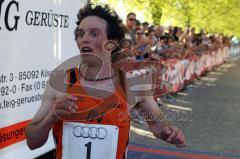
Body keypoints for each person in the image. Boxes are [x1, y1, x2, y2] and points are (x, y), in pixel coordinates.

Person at [25, 4, 185, 159]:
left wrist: (169, 132)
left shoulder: (133, 86)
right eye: (80, 34)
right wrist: (51, 116)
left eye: (94, 34)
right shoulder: (60, 83)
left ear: (112, 42)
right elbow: (32, 142)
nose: (84, 39)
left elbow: (158, 125)